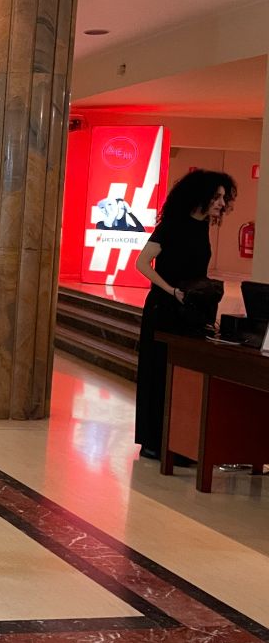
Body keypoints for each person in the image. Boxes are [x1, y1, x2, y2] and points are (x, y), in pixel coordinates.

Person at [133, 169, 236, 461]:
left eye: (223, 198)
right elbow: (142, 263)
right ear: (201, 196)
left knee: (183, 378)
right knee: (158, 373)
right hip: (163, 308)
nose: (222, 203)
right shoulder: (171, 226)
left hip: (189, 310)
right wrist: (171, 290)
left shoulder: (203, 228)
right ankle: (153, 441)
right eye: (217, 197)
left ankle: (179, 443)